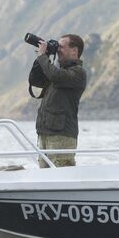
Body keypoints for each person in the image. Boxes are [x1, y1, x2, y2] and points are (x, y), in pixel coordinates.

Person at [34, 34, 87, 168]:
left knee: (62, 175)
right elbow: (37, 80)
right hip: (45, 132)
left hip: (62, 135)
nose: (58, 50)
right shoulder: (57, 70)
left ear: (74, 51)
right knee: (44, 178)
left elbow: (55, 76)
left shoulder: (78, 73)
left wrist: (42, 57)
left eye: (62, 47)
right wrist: (44, 57)